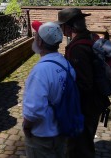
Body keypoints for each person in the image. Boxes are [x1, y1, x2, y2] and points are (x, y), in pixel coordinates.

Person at [55, 8, 111, 158]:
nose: (61, 29)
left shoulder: (78, 48)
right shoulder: (90, 37)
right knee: (84, 143)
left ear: (70, 26)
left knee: (79, 148)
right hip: (95, 102)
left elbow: (84, 84)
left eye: (62, 25)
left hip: (85, 107)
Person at [22, 21, 73, 158]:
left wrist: (26, 126)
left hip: (42, 135)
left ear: (39, 42)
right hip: (61, 130)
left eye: (35, 36)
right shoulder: (66, 64)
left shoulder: (40, 71)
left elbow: (34, 109)